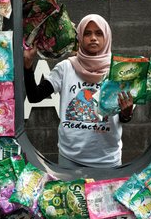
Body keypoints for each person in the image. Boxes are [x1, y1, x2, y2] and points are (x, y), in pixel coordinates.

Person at [24, 14, 134, 168]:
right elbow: (34, 96)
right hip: (70, 159)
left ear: (107, 36)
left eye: (99, 33)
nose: (93, 38)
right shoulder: (65, 68)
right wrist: (28, 65)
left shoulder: (118, 70)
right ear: (80, 38)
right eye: (87, 33)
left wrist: (127, 112)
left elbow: (124, 117)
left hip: (108, 160)